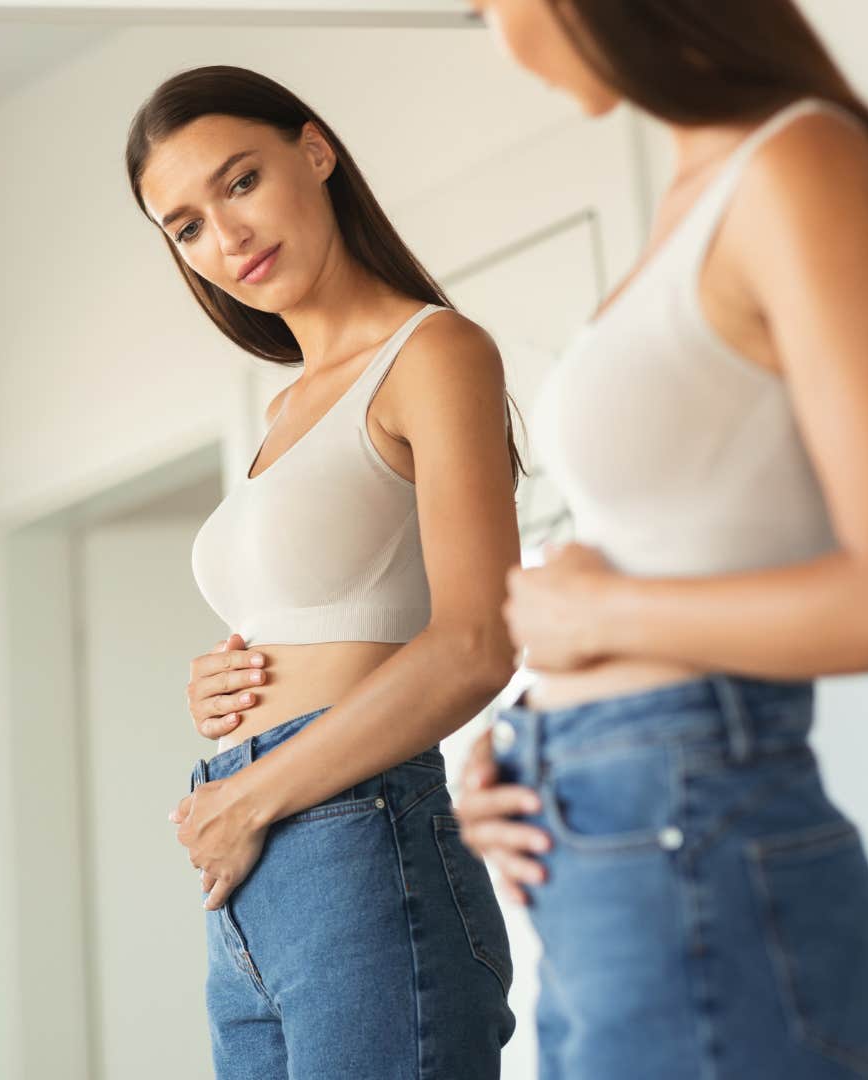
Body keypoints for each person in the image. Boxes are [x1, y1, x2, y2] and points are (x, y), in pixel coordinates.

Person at [451, 2, 868, 1078]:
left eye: (484, 3)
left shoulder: (795, 164)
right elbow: (674, 535)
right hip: (612, 836)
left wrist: (597, 618)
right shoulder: (700, 188)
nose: (495, 41)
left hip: (689, 829)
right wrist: (521, 741)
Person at [128, 65, 520, 1079]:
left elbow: (479, 643)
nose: (227, 236)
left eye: (240, 182)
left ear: (314, 150)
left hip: (356, 837)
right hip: (257, 866)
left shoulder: (434, 353)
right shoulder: (280, 414)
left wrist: (254, 797)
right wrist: (218, 688)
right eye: (186, 226)